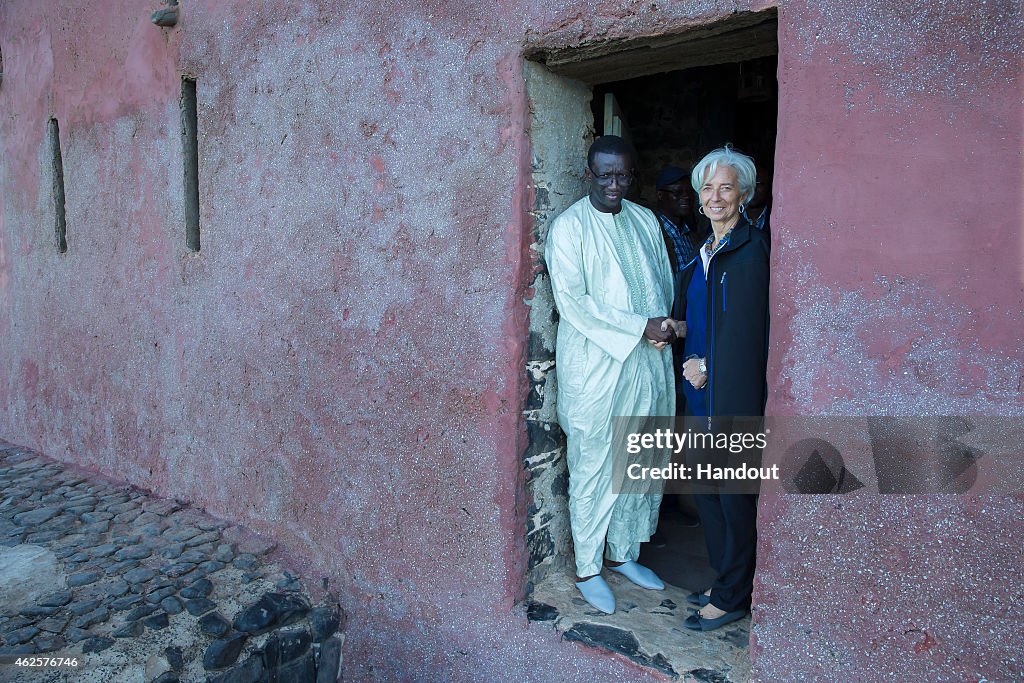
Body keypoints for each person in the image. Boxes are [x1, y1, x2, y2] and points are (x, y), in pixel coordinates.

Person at [545, 135, 677, 614]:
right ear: (589, 174)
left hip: (647, 362)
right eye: (605, 175)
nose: (614, 184)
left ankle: (623, 555)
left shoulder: (645, 220)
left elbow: (661, 282)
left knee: (642, 458)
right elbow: (574, 303)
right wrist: (637, 327)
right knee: (595, 465)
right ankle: (587, 567)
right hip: (597, 368)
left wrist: (660, 326)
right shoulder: (570, 228)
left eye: (623, 175)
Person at [673, 146, 770, 631]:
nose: (714, 196)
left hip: (730, 393)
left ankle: (734, 595)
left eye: (725, 187)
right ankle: (724, 577)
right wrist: (685, 351)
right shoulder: (702, 255)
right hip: (699, 393)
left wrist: (712, 365)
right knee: (707, 490)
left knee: (733, 493)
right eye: (707, 187)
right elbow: (700, 320)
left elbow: (749, 331)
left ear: (744, 194)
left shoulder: (751, 252)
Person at [654, 165, 706, 275]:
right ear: (660, 195)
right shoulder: (653, 234)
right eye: (677, 192)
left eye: (690, 192)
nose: (686, 196)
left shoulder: (691, 235)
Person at [741, 166, 772, 232]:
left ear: (769, 187)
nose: (753, 189)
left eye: (759, 184)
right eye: (750, 183)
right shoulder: (732, 216)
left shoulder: (775, 218)